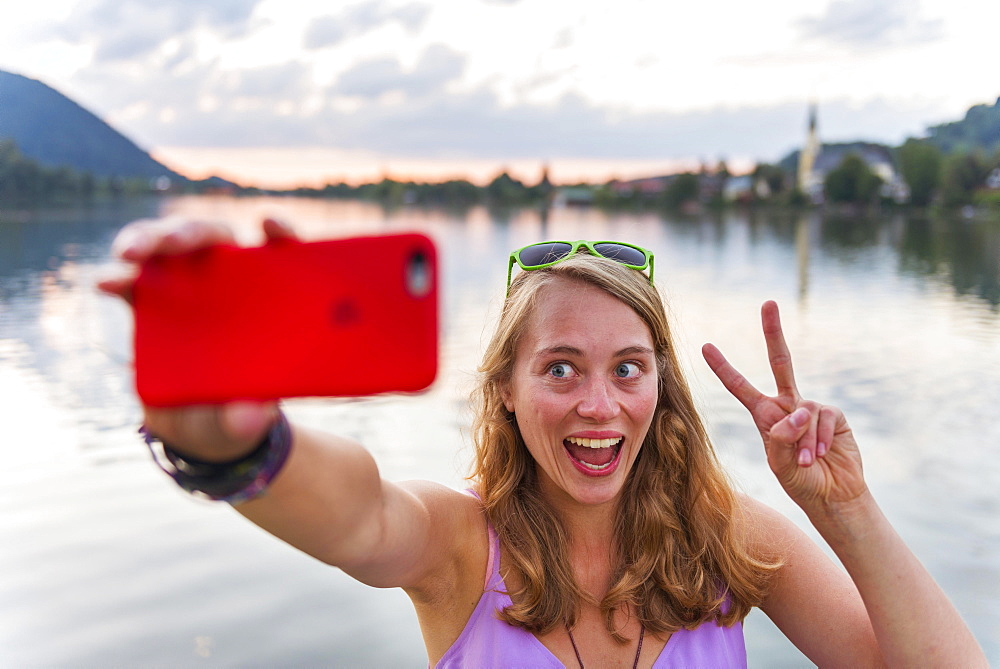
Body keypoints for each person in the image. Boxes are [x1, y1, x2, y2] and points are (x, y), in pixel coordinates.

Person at [99, 219, 987, 668]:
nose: (599, 404)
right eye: (560, 368)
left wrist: (849, 510)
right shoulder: (459, 544)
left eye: (629, 368)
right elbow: (363, 518)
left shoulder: (731, 537)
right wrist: (239, 445)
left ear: (662, 391)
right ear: (508, 395)